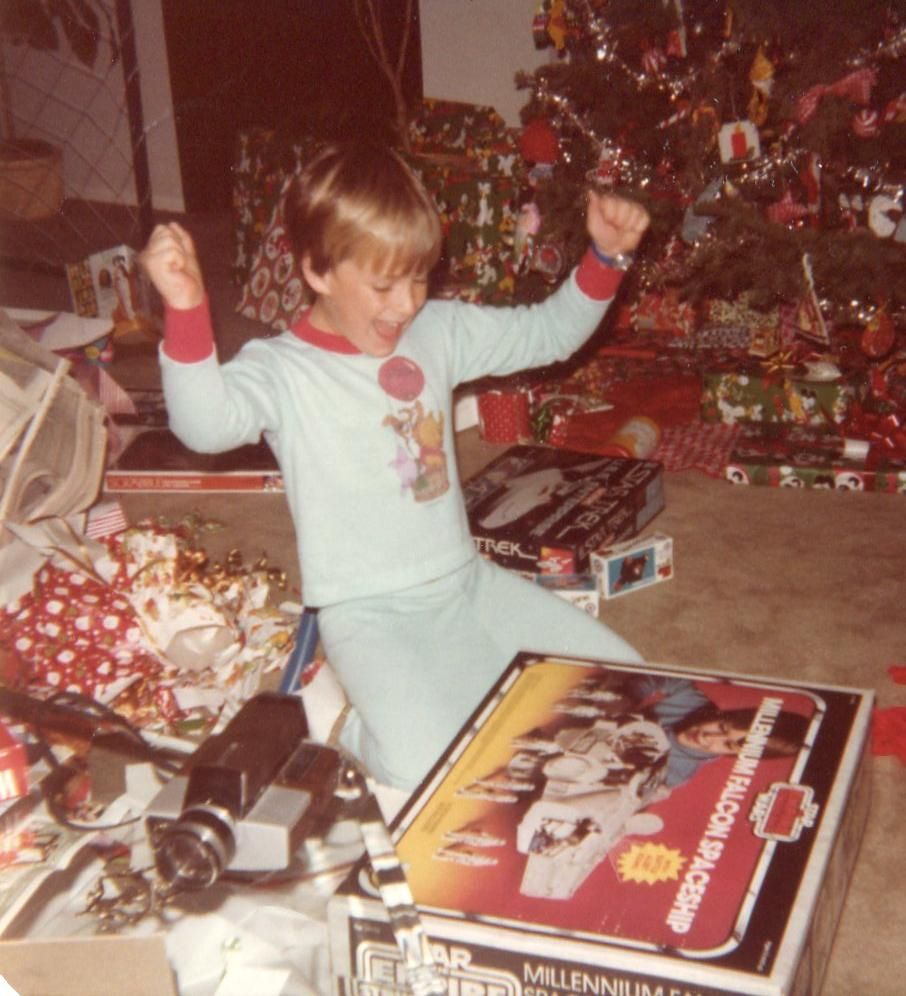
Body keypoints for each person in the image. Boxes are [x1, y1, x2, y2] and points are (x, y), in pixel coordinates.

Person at [141, 140, 651, 790]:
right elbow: (205, 425)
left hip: (467, 585)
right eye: (383, 284)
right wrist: (187, 310)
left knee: (634, 687)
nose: (406, 303)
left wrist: (605, 257)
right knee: (425, 770)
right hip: (366, 614)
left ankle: (449, 689)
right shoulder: (281, 369)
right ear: (318, 270)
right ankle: (340, 719)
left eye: (418, 278)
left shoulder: (436, 330)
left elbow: (546, 334)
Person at [626, 675, 810, 788]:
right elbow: (667, 678)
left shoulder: (676, 773)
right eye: (722, 727)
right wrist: (629, 696)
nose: (708, 737)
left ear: (733, 755)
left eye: (727, 744)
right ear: (723, 715)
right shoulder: (694, 703)